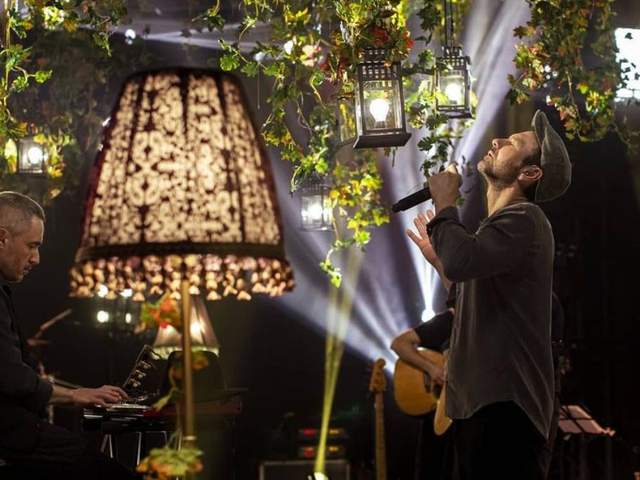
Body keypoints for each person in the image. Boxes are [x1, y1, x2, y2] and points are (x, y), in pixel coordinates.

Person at [405, 110, 571, 479]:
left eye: (513, 143)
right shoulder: (499, 230)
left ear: (530, 173)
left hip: (505, 408)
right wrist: (441, 264)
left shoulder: (525, 218)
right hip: (482, 405)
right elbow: (467, 291)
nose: (496, 141)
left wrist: (445, 204)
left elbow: (462, 260)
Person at [0, 191, 137, 479]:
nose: (36, 259)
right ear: (2, 238)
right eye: (32, 246)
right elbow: (13, 379)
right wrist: (75, 395)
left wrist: (78, 392)